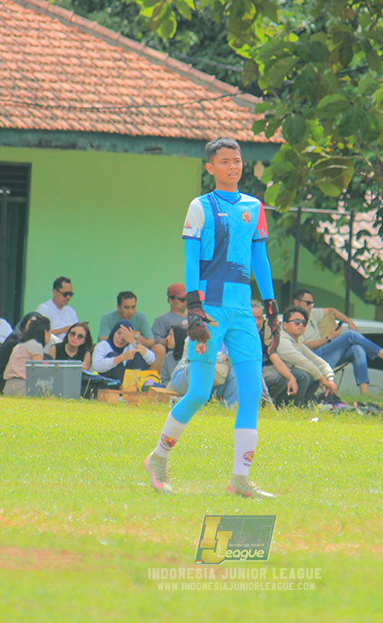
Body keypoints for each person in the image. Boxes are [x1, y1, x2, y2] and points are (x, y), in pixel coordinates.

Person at [142, 137, 281, 499]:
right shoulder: (200, 206)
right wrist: (193, 308)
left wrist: (271, 304)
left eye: (237, 160)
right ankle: (158, 459)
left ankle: (240, 480)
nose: (233, 166)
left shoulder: (254, 206)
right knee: (200, 391)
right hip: (209, 312)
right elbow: (191, 261)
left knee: (251, 393)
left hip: (242, 314)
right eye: (224, 161)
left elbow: (260, 260)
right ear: (210, 168)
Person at [292, 289, 383, 395]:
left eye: (312, 304)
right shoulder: (293, 319)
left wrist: (349, 322)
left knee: (356, 349)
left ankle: (364, 390)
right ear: (296, 302)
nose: (310, 307)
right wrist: (328, 339)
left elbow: (332, 311)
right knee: (351, 335)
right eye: (307, 303)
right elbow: (302, 346)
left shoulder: (311, 313)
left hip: (323, 355)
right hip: (310, 358)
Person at [275, 306, 339, 405]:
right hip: (274, 377)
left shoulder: (298, 342)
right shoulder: (281, 339)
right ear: (285, 325)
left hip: (288, 377)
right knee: (304, 374)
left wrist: (330, 379)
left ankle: (303, 404)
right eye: (297, 322)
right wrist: (322, 378)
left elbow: (317, 360)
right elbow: (302, 362)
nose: (301, 325)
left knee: (312, 374)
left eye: (304, 323)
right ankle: (293, 406)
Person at [253, 299, 310, 408]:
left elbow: (275, 358)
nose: (256, 322)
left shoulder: (266, 333)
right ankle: (266, 405)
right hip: (246, 374)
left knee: (300, 375)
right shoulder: (239, 335)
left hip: (266, 371)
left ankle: (293, 408)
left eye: (259, 318)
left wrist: (291, 377)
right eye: (297, 322)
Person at [98, 292, 164, 367]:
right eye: (126, 307)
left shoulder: (141, 317)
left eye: (133, 307)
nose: (130, 311)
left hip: (135, 351)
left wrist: (138, 341)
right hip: (114, 353)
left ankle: (151, 377)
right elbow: (103, 339)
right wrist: (123, 338)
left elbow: (151, 341)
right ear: (118, 307)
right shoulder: (107, 318)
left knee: (160, 349)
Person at [0, 311, 41, 395]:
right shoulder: (15, 341)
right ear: (24, 325)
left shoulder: (33, 343)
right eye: (30, 323)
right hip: (1, 382)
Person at [92, 319, 156, 383]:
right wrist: (121, 358)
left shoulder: (132, 346)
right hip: (109, 384)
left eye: (125, 336)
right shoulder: (103, 345)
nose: (121, 338)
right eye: (119, 333)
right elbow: (97, 365)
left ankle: (134, 389)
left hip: (130, 384)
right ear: (114, 332)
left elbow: (151, 359)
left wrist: (134, 342)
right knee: (112, 355)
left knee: (137, 354)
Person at [3, 316, 52, 396]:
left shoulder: (21, 344)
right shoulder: (36, 345)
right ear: (45, 332)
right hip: (22, 386)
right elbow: (37, 372)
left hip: (8, 386)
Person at [151, 282, 188, 347]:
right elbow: (156, 341)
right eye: (182, 299)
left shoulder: (192, 317)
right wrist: (173, 338)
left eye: (187, 299)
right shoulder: (162, 320)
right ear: (171, 300)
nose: (185, 302)